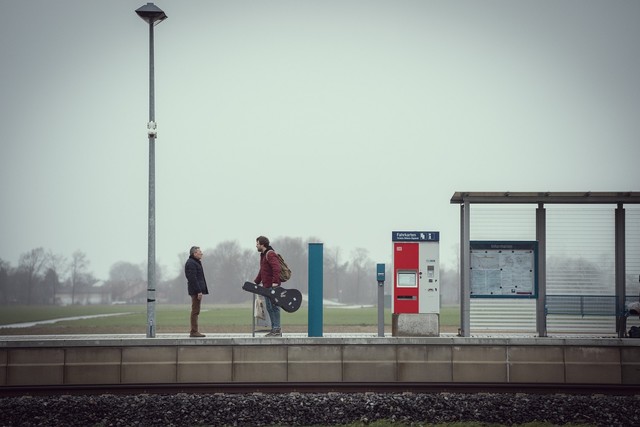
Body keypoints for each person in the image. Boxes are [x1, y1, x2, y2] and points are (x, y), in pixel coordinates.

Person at [254, 235, 282, 337]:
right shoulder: (263, 255)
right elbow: (262, 270)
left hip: (272, 287)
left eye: (257, 244)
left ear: (262, 244)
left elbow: (277, 268)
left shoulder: (270, 254)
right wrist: (256, 282)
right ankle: (274, 329)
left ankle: (277, 329)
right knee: (270, 308)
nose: (256, 246)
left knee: (274, 307)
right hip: (266, 286)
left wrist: (275, 282)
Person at [185, 246, 209, 337]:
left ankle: (194, 331)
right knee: (195, 311)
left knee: (196, 310)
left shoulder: (195, 262)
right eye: (200, 252)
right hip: (195, 291)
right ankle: (194, 331)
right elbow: (193, 279)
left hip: (196, 290)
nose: (201, 253)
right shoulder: (191, 263)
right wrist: (199, 291)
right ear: (194, 253)